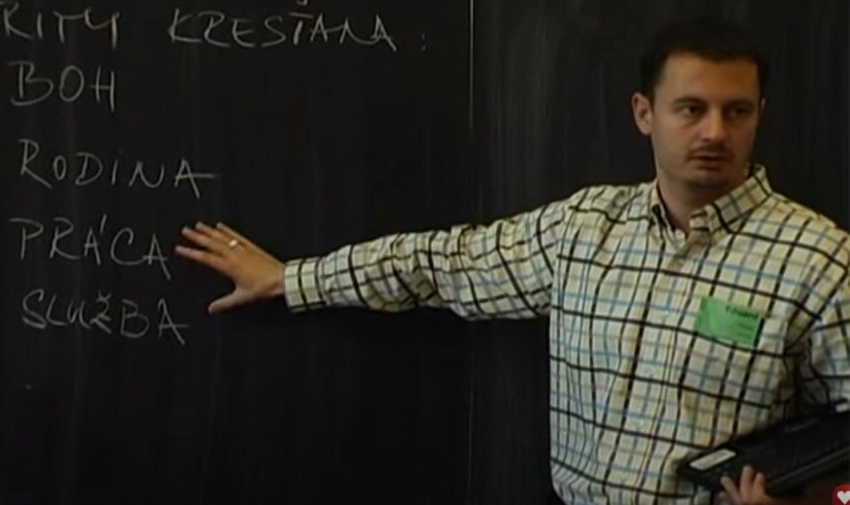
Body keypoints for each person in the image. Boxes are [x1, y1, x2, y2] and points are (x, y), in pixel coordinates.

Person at [175, 18, 849, 505]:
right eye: (691, 109)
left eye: (736, 111)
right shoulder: (585, 229)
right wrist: (290, 279)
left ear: (760, 114)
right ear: (645, 113)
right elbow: (443, 264)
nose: (714, 132)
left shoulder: (818, 259)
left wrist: (814, 504)